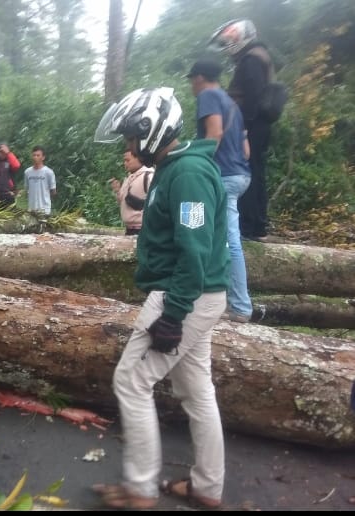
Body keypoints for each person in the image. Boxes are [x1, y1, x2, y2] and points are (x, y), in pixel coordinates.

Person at [91, 87, 229, 510]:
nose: (130, 147)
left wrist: (174, 313)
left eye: (132, 137)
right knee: (196, 390)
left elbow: (195, 249)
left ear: (152, 131)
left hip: (184, 294)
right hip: (196, 293)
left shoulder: (188, 175)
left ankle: (140, 488)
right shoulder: (174, 168)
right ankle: (208, 487)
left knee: (131, 381)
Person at [188, 57, 253, 323]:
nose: (191, 86)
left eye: (192, 80)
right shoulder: (232, 104)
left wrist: (198, 164)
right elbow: (246, 150)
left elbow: (214, 133)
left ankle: (240, 306)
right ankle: (212, 294)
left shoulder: (209, 96)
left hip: (222, 176)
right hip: (240, 175)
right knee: (213, 232)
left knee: (226, 238)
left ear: (199, 77)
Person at [209, 19, 274, 242]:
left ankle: (250, 227)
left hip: (253, 126)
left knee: (249, 172)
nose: (229, 46)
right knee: (254, 171)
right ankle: (256, 226)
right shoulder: (256, 56)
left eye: (231, 40)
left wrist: (242, 128)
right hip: (256, 124)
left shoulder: (251, 59)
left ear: (242, 37)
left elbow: (253, 96)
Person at [109, 150, 154, 235]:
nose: (125, 164)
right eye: (124, 161)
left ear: (139, 158)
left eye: (128, 160)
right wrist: (118, 191)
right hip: (130, 229)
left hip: (143, 229)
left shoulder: (148, 177)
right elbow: (122, 202)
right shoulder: (129, 178)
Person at [23, 145, 56, 216]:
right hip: (31, 209)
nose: (35, 157)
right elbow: (26, 189)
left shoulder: (49, 172)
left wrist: (45, 198)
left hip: (44, 210)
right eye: (34, 155)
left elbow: (53, 191)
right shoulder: (27, 172)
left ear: (43, 157)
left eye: (38, 155)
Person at [0, 142, 20, 208]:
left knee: (11, 213)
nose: (2, 153)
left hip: (9, 195)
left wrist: (8, 153)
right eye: (0, 152)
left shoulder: (10, 162)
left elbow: (17, 166)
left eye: (4, 151)